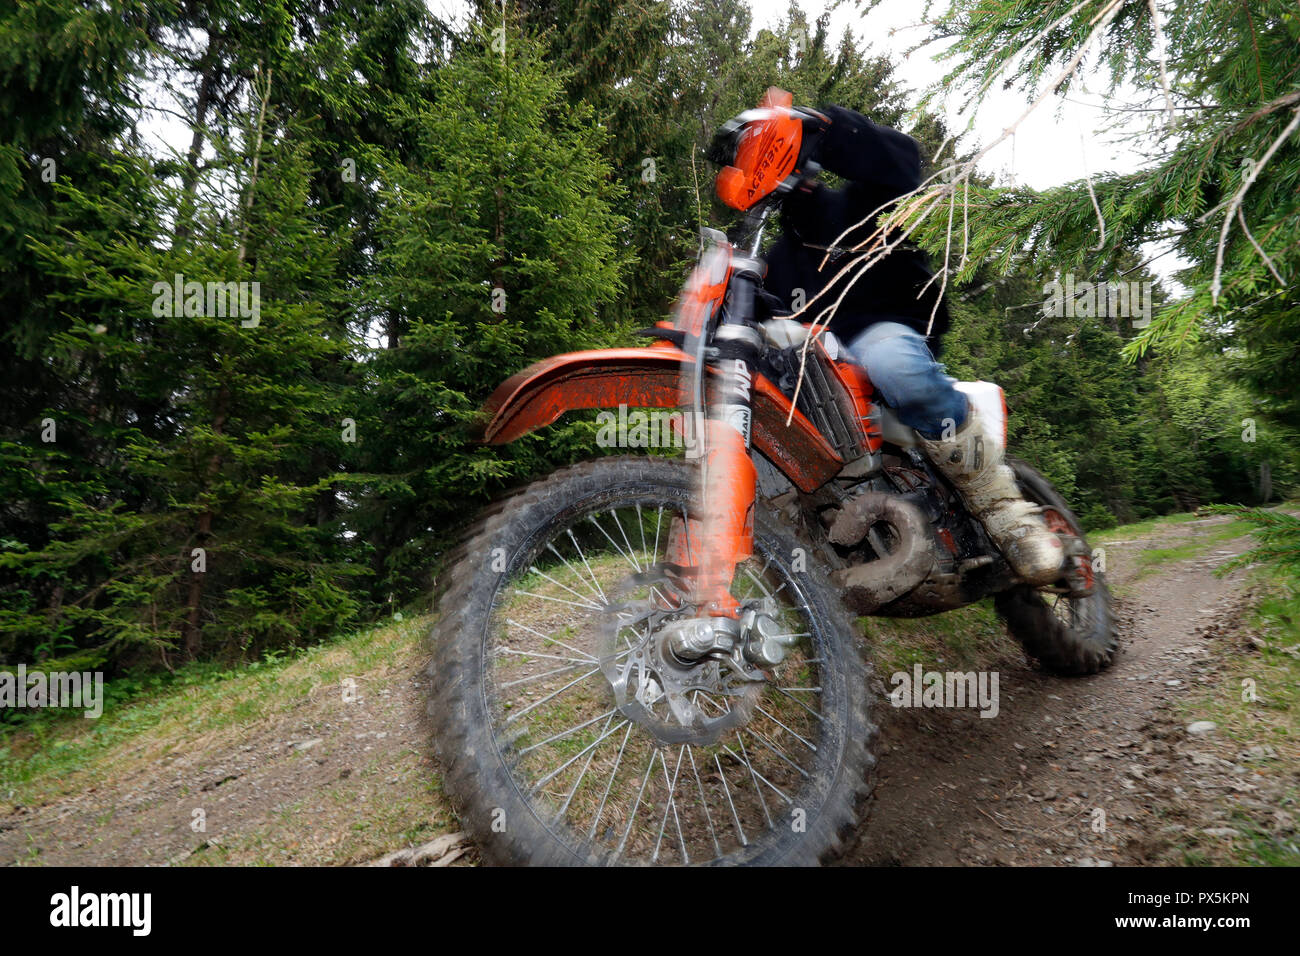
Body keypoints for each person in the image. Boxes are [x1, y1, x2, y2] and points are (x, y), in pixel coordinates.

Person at [715, 103, 1064, 586]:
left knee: (888, 358)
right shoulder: (773, 260)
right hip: (822, 377)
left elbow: (901, 161)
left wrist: (827, 130)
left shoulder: (862, 203)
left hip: (889, 329)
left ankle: (1004, 511)